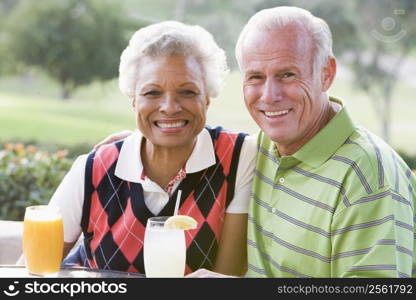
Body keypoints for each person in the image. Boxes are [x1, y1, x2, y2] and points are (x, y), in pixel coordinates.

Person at [103, 6, 416, 278]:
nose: (269, 96)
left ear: (326, 74)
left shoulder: (369, 177)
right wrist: (139, 142)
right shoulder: (259, 149)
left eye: (288, 75)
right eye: (255, 77)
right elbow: (196, 139)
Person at [40, 21, 257, 276]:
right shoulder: (93, 168)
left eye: (187, 92)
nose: (169, 107)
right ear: (134, 101)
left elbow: (226, 278)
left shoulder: (240, 156)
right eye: (152, 93)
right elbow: (32, 271)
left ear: (207, 98)